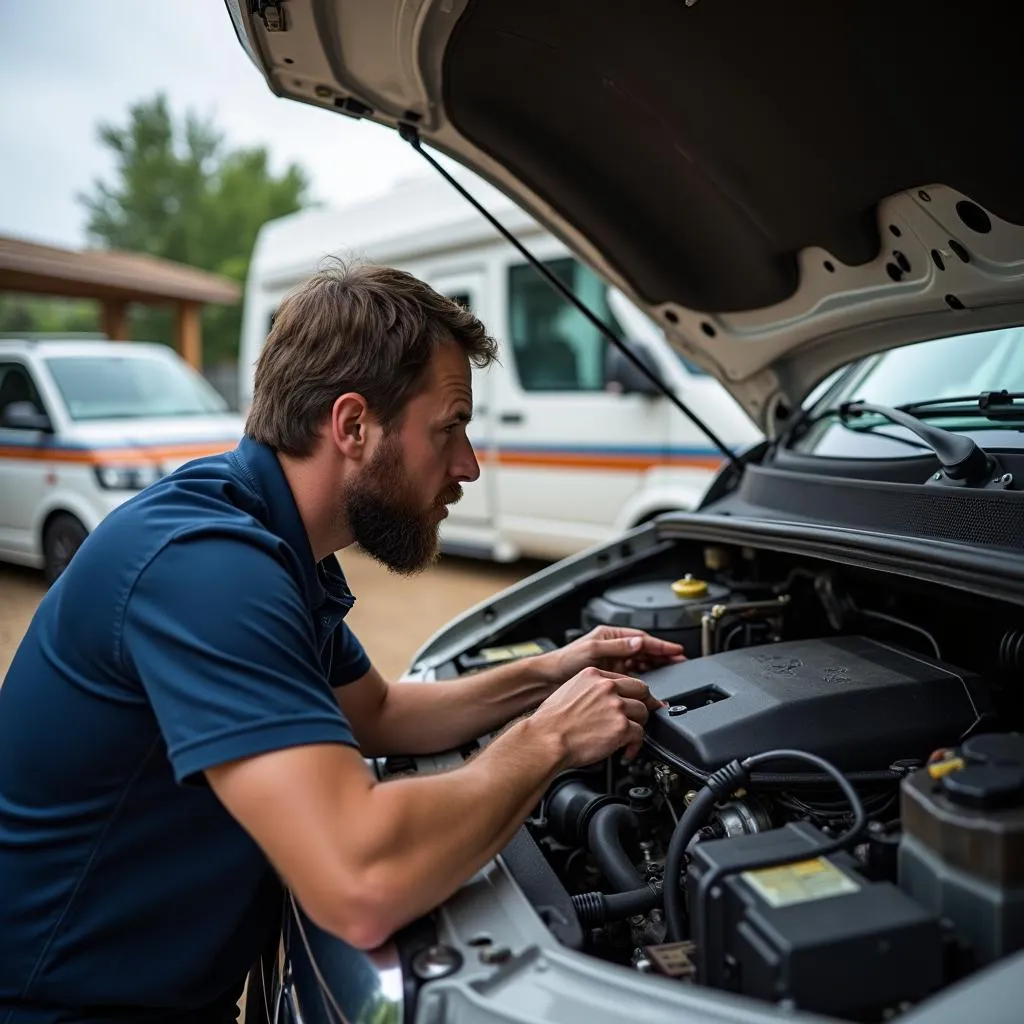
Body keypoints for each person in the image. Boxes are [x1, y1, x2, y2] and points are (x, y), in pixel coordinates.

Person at [0, 262, 684, 1023]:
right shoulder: (205, 569)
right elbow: (361, 880)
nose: (468, 465)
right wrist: (548, 741)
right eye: (449, 427)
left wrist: (553, 672)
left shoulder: (274, 543)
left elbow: (382, 712)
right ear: (353, 426)